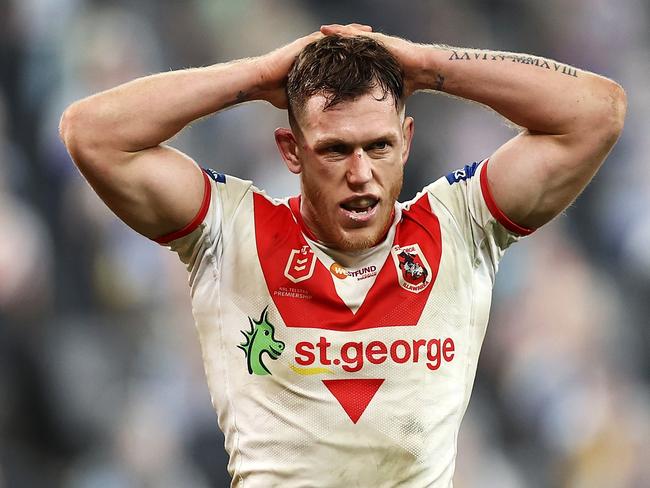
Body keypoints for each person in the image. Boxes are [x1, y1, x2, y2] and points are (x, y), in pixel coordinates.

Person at [59, 22, 626, 487]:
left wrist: (428, 67)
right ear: (291, 150)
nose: (361, 175)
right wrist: (258, 76)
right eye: (334, 149)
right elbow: (89, 132)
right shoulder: (231, 232)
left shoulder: (459, 225)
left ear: (406, 140)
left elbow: (599, 111)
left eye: (379, 145)